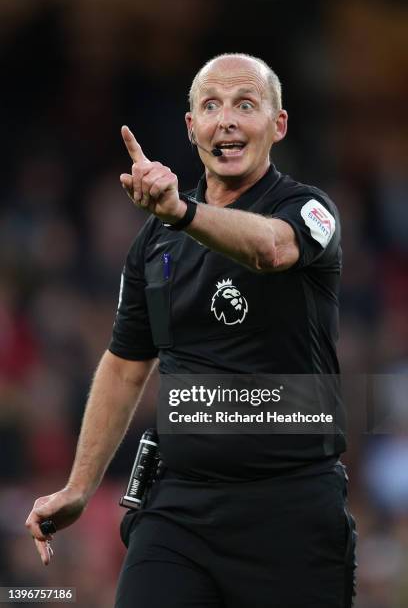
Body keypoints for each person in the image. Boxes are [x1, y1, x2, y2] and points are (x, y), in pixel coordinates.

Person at [26, 53, 357, 607]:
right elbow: (126, 364)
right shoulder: (154, 245)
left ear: (278, 124)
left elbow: (271, 250)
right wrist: (79, 486)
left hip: (292, 512)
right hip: (179, 511)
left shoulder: (310, 211)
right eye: (211, 106)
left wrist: (180, 213)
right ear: (191, 127)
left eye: (245, 105)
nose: (226, 119)